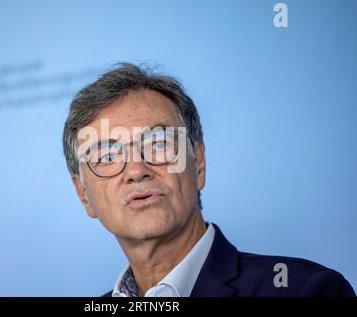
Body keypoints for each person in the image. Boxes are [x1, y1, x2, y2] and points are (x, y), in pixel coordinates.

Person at [62, 63, 355, 297]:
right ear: (83, 194)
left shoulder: (307, 290)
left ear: (198, 163)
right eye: (107, 156)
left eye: (159, 144)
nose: (137, 170)